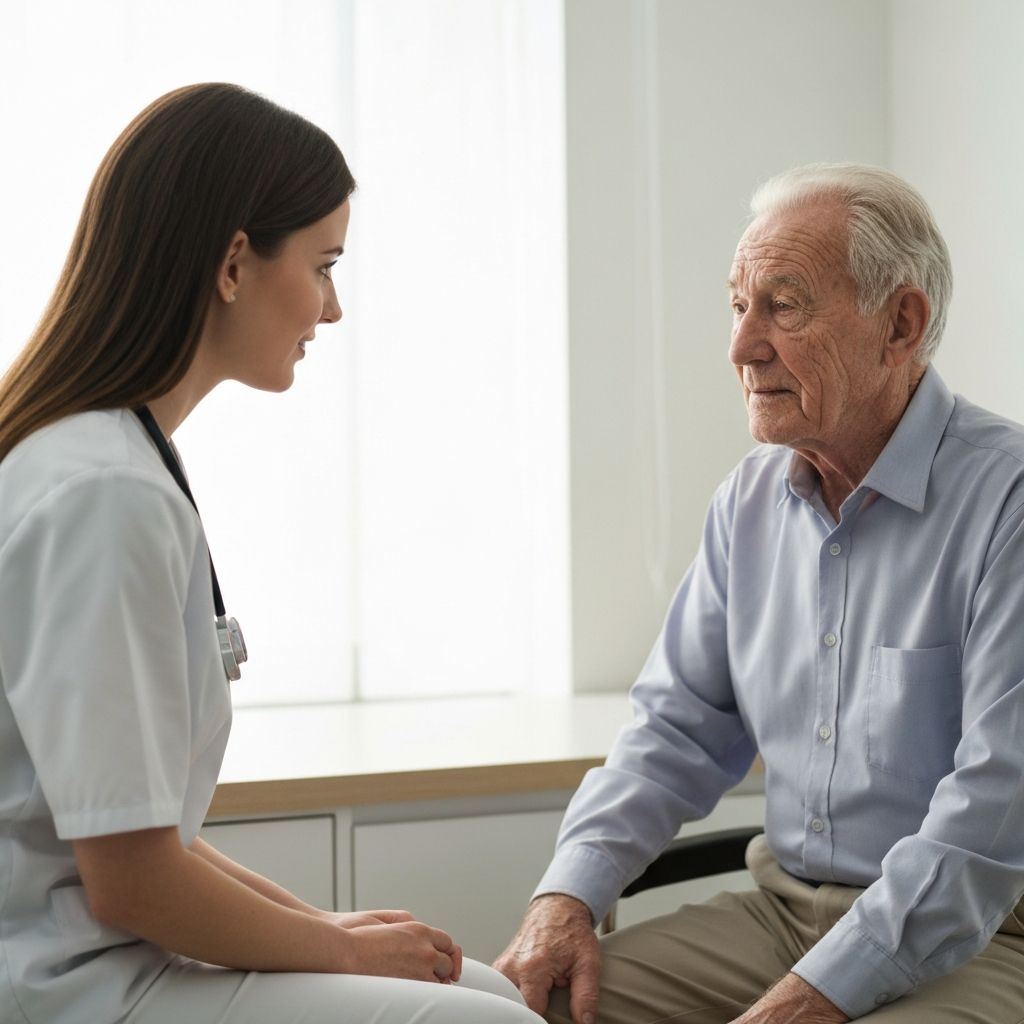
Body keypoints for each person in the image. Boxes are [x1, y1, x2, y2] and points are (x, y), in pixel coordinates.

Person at [0, 83, 542, 1024]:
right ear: (232, 264)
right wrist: (341, 949)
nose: (332, 309)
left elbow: (145, 828)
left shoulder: (115, 458)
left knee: (477, 988)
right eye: (323, 266)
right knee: (487, 1019)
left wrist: (322, 926)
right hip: (65, 984)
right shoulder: (104, 494)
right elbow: (133, 878)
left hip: (100, 952)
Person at [495, 163, 1024, 1024]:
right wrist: (566, 895)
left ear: (900, 324)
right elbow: (673, 732)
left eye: (783, 306)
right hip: (782, 916)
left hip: (980, 933)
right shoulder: (748, 501)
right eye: (738, 306)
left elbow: (992, 818)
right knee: (521, 1008)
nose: (742, 347)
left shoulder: (1009, 503)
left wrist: (814, 997)